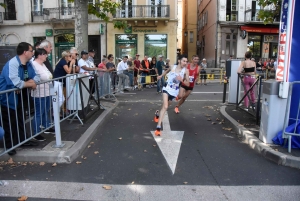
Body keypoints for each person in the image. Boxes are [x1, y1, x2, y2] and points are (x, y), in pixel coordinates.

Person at [0, 42, 40, 155]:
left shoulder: (29, 63)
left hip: (21, 95)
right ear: (25, 52)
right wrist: (30, 84)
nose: (33, 53)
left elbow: (37, 77)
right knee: (9, 122)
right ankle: (9, 146)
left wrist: (27, 83)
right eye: (31, 50)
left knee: (21, 118)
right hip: (8, 98)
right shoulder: (12, 63)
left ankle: (23, 140)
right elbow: (15, 82)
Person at [154, 55, 190, 136]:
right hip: (166, 88)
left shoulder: (185, 71)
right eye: (184, 61)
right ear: (179, 61)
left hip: (174, 92)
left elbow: (188, 83)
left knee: (165, 105)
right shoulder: (172, 66)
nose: (185, 63)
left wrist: (182, 80)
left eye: (186, 61)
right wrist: (161, 76)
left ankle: (157, 113)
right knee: (166, 106)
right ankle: (158, 128)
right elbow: (167, 71)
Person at [31, 48, 54, 141]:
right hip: (39, 93)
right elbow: (34, 78)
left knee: (46, 110)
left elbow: (48, 75)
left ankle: (47, 126)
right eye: (45, 54)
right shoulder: (33, 64)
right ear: (39, 55)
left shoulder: (43, 64)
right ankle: (36, 132)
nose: (46, 56)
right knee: (39, 112)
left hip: (47, 91)